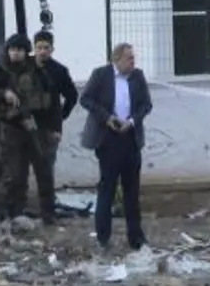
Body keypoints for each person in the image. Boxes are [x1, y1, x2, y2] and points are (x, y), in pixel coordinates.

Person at [79, 42, 151, 251]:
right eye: (129, 58)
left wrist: (133, 121)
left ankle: (136, 238)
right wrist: (107, 118)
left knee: (132, 190)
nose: (133, 62)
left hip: (131, 138)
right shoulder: (101, 75)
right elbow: (86, 99)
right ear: (116, 59)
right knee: (107, 188)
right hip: (108, 138)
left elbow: (146, 104)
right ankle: (103, 237)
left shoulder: (137, 76)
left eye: (133, 58)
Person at [0, 34, 57, 221]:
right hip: (11, 128)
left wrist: (50, 125)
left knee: (43, 170)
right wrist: (4, 93)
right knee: (13, 173)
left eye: (19, 50)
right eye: (12, 50)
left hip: (35, 126)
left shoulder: (36, 69)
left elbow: (50, 97)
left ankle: (47, 212)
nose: (15, 54)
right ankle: (6, 211)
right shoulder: (0, 68)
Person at [31, 31, 79, 215]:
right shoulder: (25, 67)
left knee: (45, 170)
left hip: (48, 129)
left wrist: (60, 119)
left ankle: (47, 212)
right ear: (34, 48)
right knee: (17, 171)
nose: (42, 52)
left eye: (46, 48)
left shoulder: (59, 71)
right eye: (39, 48)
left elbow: (72, 96)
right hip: (23, 127)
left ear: (52, 49)